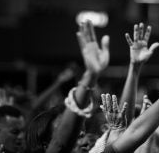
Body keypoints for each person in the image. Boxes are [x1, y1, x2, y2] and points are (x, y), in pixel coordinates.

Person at [26, 20, 110, 153]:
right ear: (45, 144)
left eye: (81, 133)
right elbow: (35, 106)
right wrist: (88, 77)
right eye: (72, 134)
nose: (82, 138)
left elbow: (132, 134)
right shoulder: (51, 114)